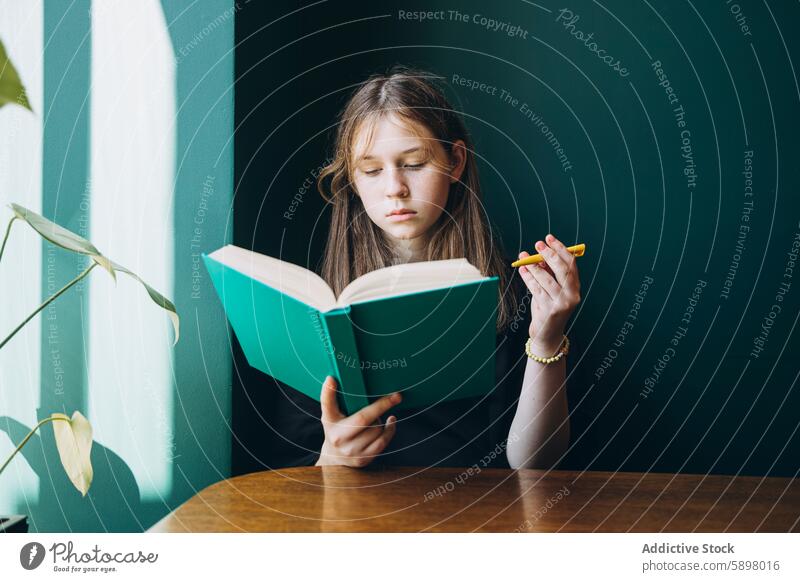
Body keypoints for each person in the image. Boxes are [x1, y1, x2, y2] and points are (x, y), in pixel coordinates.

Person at [279, 66, 581, 470]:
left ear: (455, 162)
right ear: (352, 179)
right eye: (371, 170)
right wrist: (333, 457)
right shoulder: (316, 312)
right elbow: (292, 483)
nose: (394, 188)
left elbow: (533, 465)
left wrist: (547, 342)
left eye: (415, 163)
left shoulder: (513, 295)